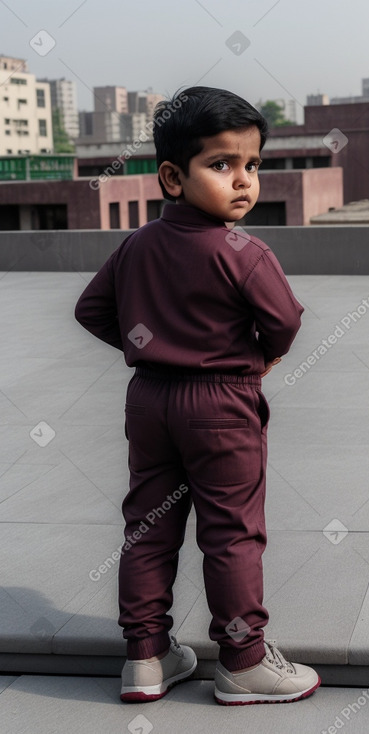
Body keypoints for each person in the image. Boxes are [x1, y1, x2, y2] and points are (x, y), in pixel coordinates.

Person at [74, 86, 321, 706]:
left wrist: (147, 349)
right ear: (172, 177)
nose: (243, 181)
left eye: (253, 165)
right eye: (222, 165)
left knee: (147, 528)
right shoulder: (245, 251)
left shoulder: (136, 245)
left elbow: (91, 310)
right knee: (232, 533)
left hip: (150, 402)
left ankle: (147, 656)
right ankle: (241, 662)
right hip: (221, 407)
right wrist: (259, 359)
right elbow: (286, 321)